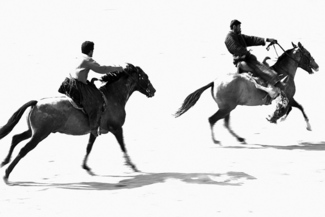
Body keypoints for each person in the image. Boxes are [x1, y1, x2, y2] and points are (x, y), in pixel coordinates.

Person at [225, 19, 288, 122]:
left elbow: (252, 39)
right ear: (234, 27)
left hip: (248, 59)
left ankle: (273, 89)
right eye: (239, 27)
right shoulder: (229, 37)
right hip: (241, 62)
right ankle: (275, 90)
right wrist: (246, 52)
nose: (240, 28)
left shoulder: (240, 36)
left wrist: (267, 40)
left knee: (264, 67)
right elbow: (235, 49)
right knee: (261, 70)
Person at [58, 41, 123, 137]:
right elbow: (101, 69)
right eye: (93, 50)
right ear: (91, 51)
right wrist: (117, 68)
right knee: (98, 101)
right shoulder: (88, 59)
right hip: (78, 85)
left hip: (69, 82)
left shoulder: (78, 57)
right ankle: (93, 128)